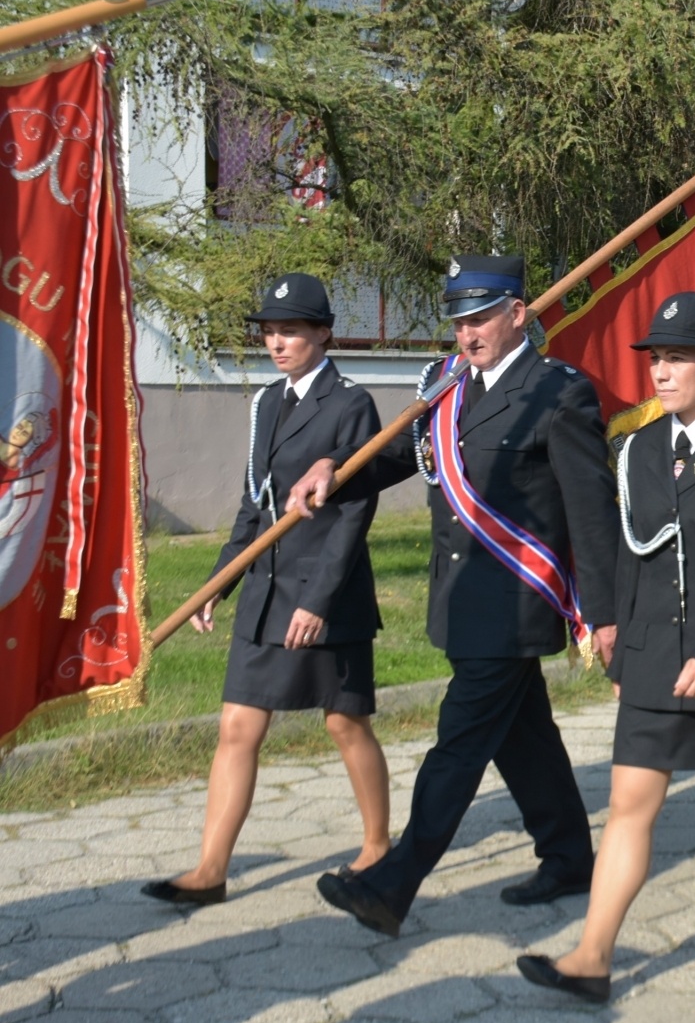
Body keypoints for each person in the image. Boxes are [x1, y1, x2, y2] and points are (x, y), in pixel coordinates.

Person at [291, 255, 618, 937]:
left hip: (516, 600)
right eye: (459, 321)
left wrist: (607, 613)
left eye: (481, 318)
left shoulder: (559, 392)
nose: (467, 334)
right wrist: (336, 472)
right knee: (524, 736)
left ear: (517, 314)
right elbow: (399, 456)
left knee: (459, 743)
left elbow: (591, 511)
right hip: (461, 596)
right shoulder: (446, 386)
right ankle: (568, 857)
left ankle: (394, 882)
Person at [519, 293, 695, 1003]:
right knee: (628, 802)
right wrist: (620, 644)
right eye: (656, 359)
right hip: (652, 656)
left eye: (678, 359)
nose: (661, 373)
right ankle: (592, 955)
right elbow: (625, 556)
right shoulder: (639, 447)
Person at [142, 274, 390, 907]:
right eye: (270, 332)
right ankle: (210, 870)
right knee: (237, 729)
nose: (277, 343)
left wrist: (317, 601)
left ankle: (378, 847)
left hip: (322, 595)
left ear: (323, 333)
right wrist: (215, 587)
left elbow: (354, 516)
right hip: (265, 589)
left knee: (345, 723)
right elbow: (254, 509)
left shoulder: (350, 403)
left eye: (292, 332)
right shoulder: (265, 404)